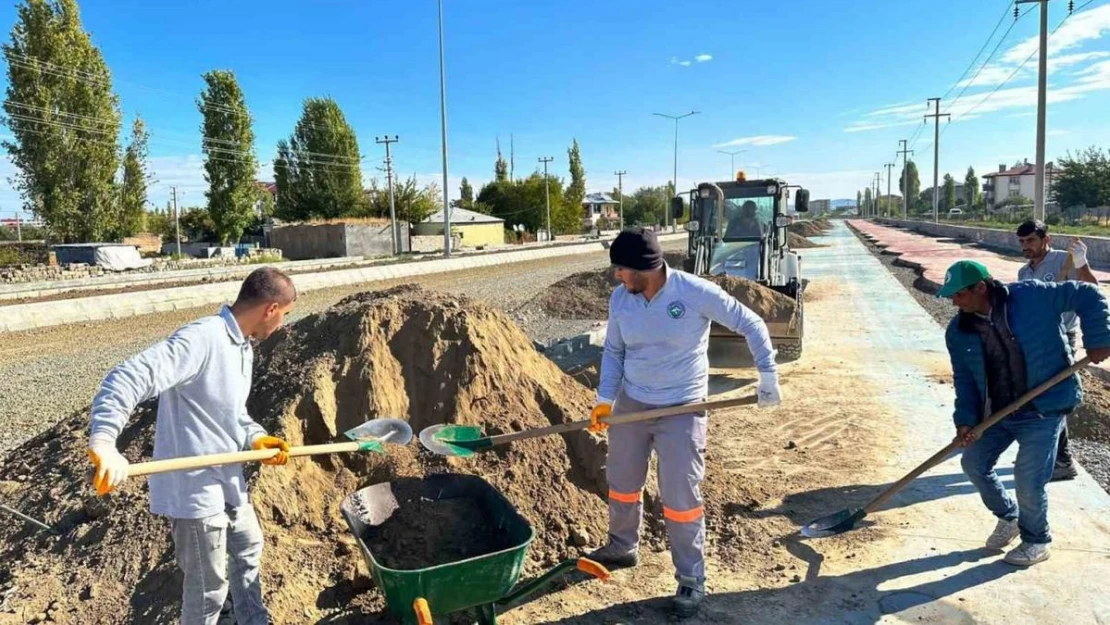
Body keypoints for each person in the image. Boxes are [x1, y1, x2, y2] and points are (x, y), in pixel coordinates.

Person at [585, 227, 782, 616]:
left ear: (645, 268)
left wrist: (768, 374)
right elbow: (613, 350)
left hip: (681, 408)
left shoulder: (694, 292)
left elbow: (752, 323)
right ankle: (623, 547)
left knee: (681, 499)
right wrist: (606, 399)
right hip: (632, 404)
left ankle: (691, 579)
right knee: (622, 483)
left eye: (622, 269)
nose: (617, 277)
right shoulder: (621, 299)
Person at [87, 267, 297, 625]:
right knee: (208, 590)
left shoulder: (242, 347)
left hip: (229, 481)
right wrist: (105, 441)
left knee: (248, 551)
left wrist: (256, 437)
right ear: (271, 308)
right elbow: (128, 376)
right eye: (285, 315)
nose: (282, 324)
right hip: (196, 491)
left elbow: (231, 415)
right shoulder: (203, 339)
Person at [937, 260, 1110, 566]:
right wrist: (965, 420)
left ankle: (1037, 540)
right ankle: (1009, 517)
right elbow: (965, 380)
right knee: (974, 463)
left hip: (1043, 409)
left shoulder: (1032, 296)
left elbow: (1088, 294)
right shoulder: (959, 331)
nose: (954, 301)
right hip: (998, 413)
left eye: (959, 294)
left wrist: (1098, 339)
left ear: (980, 287)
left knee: (1028, 479)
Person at [1015, 219, 1098, 481]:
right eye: (1022, 242)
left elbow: (1092, 290)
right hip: (1036, 341)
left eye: (1031, 240)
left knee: (1054, 398)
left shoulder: (1066, 261)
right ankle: (1046, 454)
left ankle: (1062, 460)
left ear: (1045, 239)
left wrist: (1082, 263)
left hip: (1062, 339)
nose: (1026, 246)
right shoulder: (1024, 273)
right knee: (1037, 398)